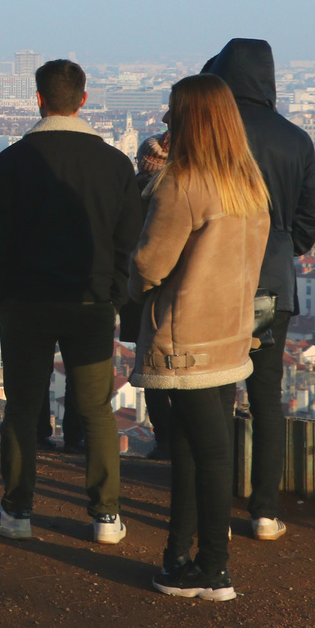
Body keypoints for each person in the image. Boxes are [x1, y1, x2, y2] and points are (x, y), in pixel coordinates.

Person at [0, 60, 141, 545]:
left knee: (24, 408)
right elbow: (128, 235)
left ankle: (17, 510)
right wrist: (112, 289)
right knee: (95, 409)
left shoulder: (13, 160)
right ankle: (106, 515)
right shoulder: (114, 163)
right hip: (89, 302)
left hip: (26, 301)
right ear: (83, 100)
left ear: (39, 99)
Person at [129, 74, 269, 601]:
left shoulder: (183, 182)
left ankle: (212, 568)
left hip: (185, 336)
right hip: (229, 332)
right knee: (190, 447)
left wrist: (136, 288)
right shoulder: (247, 180)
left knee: (206, 451)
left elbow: (149, 263)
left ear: (193, 118)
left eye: (173, 111)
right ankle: (178, 560)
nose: (166, 120)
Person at [202, 39, 315, 540]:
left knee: (215, 392)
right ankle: (266, 511)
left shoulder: (213, 133)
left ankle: (212, 511)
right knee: (265, 395)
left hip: (216, 276)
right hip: (272, 282)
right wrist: (280, 247)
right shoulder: (295, 139)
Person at [120, 132, 175, 460]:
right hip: (169, 295)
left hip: (139, 296)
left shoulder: (131, 194)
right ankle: (176, 438)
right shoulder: (173, 195)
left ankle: (164, 438)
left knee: (151, 370)